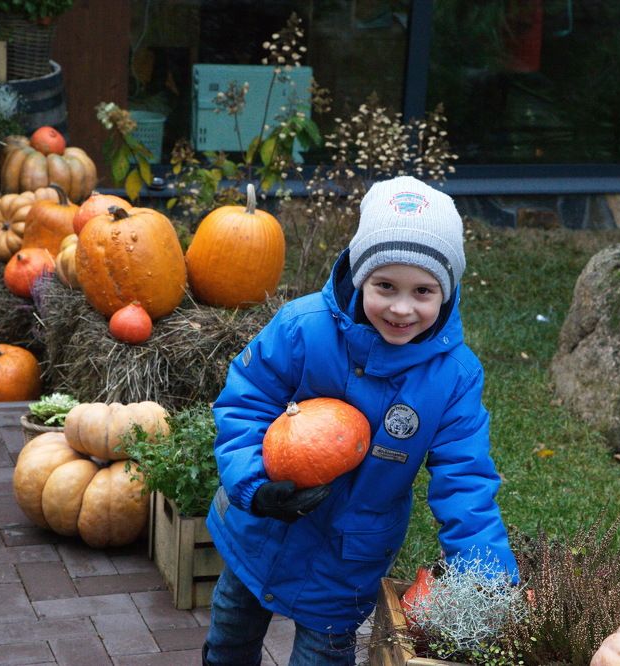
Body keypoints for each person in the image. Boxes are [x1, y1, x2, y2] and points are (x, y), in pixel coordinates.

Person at [203, 175, 518, 665]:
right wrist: (254, 486)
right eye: (385, 285)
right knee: (228, 637)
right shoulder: (302, 328)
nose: (401, 307)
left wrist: (489, 582)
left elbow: (466, 479)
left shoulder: (453, 377)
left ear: (447, 292)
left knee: (321, 657)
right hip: (261, 532)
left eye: (423, 291)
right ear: (359, 275)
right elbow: (245, 404)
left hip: (345, 559)